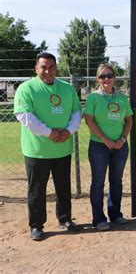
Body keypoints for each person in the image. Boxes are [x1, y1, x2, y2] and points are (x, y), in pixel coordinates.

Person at [13, 52, 81, 241]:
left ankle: (65, 219)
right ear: (36, 69)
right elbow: (25, 116)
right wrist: (50, 132)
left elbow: (76, 113)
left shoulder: (67, 89)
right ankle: (36, 225)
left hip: (62, 148)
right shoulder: (26, 89)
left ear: (56, 68)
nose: (48, 71)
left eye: (51, 67)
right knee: (36, 189)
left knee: (63, 187)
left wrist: (68, 131)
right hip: (37, 150)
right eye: (43, 67)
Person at [84, 64, 133, 231]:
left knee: (116, 182)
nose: (106, 79)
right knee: (98, 182)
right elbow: (89, 120)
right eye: (103, 76)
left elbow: (129, 120)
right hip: (99, 146)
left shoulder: (121, 98)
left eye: (109, 75)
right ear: (98, 79)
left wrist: (123, 139)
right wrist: (104, 139)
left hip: (120, 146)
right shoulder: (93, 98)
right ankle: (98, 219)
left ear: (114, 78)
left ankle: (115, 214)